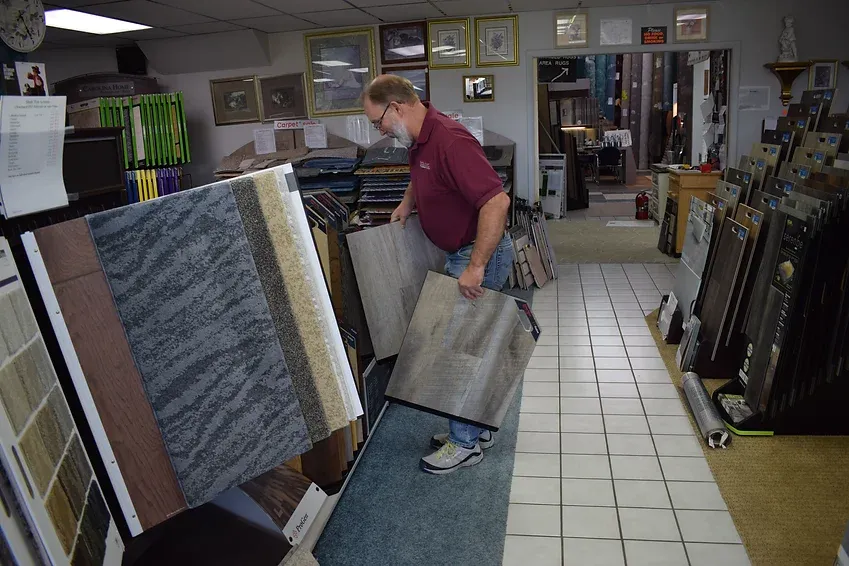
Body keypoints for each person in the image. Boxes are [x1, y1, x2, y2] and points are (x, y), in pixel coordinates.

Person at [361, 74, 513, 475]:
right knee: (470, 346)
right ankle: (476, 429)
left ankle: (464, 444)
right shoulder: (420, 139)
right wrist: (407, 203)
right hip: (460, 253)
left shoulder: (450, 140)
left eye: (378, 121)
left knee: (459, 350)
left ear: (396, 107)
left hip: (476, 255)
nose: (379, 130)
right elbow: (423, 175)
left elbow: (497, 202)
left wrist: (476, 267)